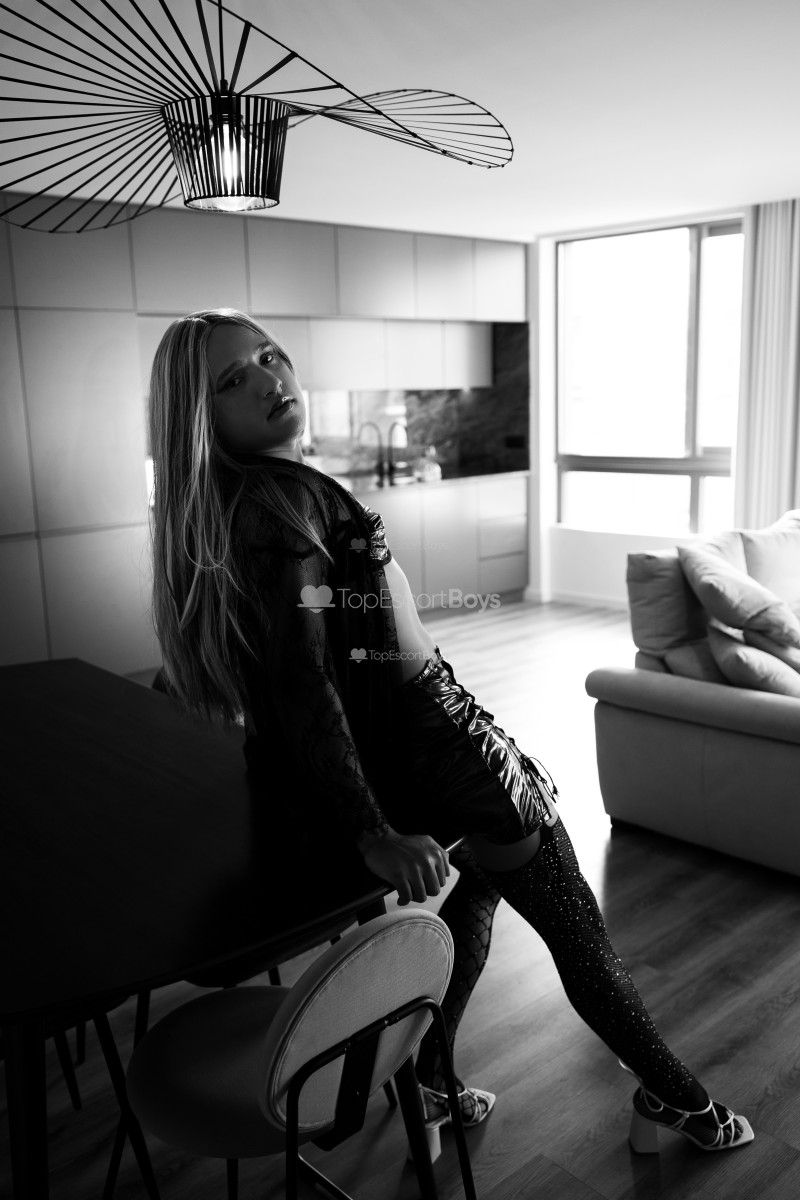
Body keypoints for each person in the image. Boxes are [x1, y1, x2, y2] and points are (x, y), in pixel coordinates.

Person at [148, 307, 754, 1154]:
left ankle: (432, 1083)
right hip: (440, 739)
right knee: (572, 920)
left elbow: (315, 654)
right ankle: (677, 1101)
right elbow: (300, 679)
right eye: (231, 380)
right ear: (201, 419)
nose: (269, 379)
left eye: (269, 356)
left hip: (423, 732)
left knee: (491, 877)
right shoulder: (281, 502)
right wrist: (370, 829)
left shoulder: (250, 499)